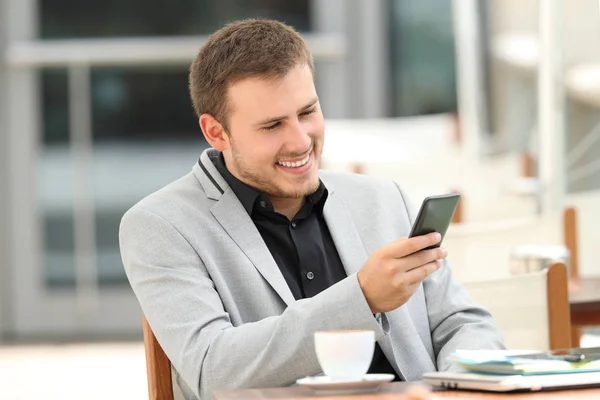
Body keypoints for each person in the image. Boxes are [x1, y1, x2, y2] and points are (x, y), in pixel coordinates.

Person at [119, 18, 504, 400]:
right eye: (273, 126)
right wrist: (361, 298)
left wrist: (454, 389)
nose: (301, 141)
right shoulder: (160, 226)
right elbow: (211, 369)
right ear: (216, 132)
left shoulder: (384, 198)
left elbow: (463, 323)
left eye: (307, 113)